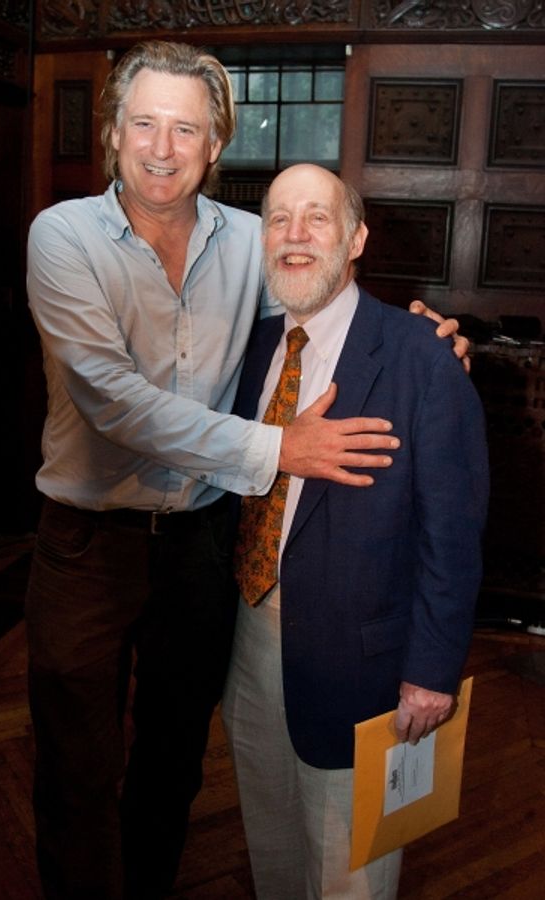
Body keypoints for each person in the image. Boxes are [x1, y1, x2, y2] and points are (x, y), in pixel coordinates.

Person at [25, 40, 469, 900]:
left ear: (216, 143)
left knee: (173, 759)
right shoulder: (62, 234)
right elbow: (111, 400)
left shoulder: (250, 241)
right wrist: (277, 450)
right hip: (88, 546)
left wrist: (419, 338)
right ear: (114, 132)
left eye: (185, 128)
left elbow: (323, 297)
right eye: (144, 123)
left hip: (201, 545)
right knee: (76, 769)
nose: (162, 147)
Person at [222, 164, 490, 900]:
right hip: (248, 640)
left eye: (317, 217)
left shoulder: (422, 357)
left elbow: (453, 534)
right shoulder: (248, 351)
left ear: (356, 237)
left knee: (351, 874)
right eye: (279, 219)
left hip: (363, 664)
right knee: (270, 842)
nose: (297, 235)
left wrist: (433, 670)